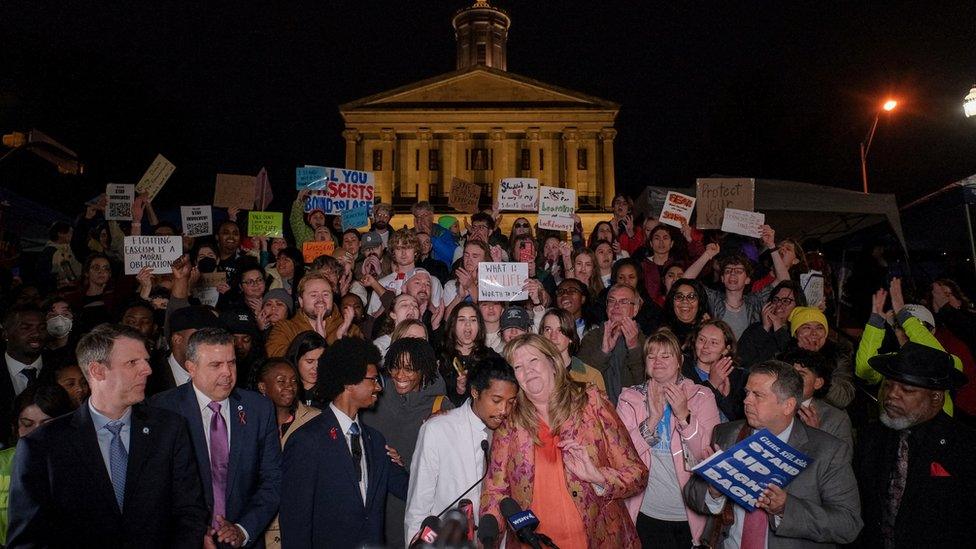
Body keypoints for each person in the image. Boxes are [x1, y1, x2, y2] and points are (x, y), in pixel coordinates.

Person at [7, 324, 210, 547]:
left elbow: (189, 512)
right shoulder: (42, 446)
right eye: (133, 362)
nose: (147, 370)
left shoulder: (169, 429)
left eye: (145, 360)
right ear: (97, 371)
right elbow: (28, 539)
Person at [481, 334, 647, 548]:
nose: (527, 370)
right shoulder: (510, 424)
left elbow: (638, 473)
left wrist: (598, 477)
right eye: (517, 367)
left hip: (601, 539)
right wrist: (488, 536)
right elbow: (495, 491)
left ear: (552, 363)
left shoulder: (590, 403)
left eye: (533, 360)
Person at [683, 360, 862, 548]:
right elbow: (692, 494)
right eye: (747, 392)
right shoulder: (726, 434)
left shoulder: (828, 451)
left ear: (788, 405)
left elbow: (848, 525)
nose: (746, 400)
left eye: (757, 395)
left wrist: (786, 508)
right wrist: (714, 491)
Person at [151, 327, 281, 547]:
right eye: (215, 365)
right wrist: (194, 533)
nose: (227, 373)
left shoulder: (259, 408)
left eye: (231, 363)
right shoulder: (162, 410)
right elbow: (157, 489)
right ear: (191, 368)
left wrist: (243, 529)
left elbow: (273, 479)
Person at [279, 338, 409, 548]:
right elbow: (295, 522)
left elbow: (407, 489)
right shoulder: (307, 441)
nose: (378, 387)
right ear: (349, 382)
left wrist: (401, 463)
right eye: (373, 380)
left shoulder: (375, 440)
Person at [856, 342, 976, 547]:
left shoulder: (965, 445)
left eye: (907, 389)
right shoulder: (871, 436)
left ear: (936, 398)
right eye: (888, 384)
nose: (892, 395)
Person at [616, 329, 721, 548]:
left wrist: (684, 416)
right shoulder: (630, 398)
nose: (658, 361)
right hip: (645, 511)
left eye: (666, 356)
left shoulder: (701, 396)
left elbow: (707, 455)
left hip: (689, 513)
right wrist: (652, 420)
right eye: (652, 356)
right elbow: (620, 455)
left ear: (679, 361)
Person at [404, 354, 518, 545]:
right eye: (496, 400)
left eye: (511, 402)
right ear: (475, 392)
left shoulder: (513, 433)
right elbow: (418, 504)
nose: (503, 410)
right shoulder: (438, 429)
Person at [361, 337, 452, 548]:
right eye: (395, 367)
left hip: (415, 509)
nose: (400, 376)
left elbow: (447, 470)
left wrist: (405, 462)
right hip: (375, 507)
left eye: (409, 369)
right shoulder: (374, 399)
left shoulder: (441, 406)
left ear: (424, 370)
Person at [254, 357, 320, 549]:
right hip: (261, 527)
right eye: (281, 381)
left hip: (300, 525)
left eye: (293, 381)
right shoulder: (248, 423)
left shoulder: (316, 420)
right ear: (262, 387)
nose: (289, 386)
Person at [683, 227, 791, 339]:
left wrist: (772, 246)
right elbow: (685, 281)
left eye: (739, 271)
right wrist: (707, 255)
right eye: (728, 271)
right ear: (722, 278)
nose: (733, 274)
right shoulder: (713, 299)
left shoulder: (755, 301)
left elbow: (785, 282)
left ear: (747, 279)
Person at [0, 384, 74, 544]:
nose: (36, 433)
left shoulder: (81, 463)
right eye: (27, 424)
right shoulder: (2, 463)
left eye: (47, 425)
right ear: (15, 427)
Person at [577, 284, 646, 404]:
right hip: (598, 412)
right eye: (611, 301)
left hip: (633, 413)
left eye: (624, 301)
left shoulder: (646, 342)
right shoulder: (591, 338)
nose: (616, 306)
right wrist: (603, 353)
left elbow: (644, 386)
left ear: (635, 309)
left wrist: (634, 348)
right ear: (606, 308)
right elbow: (579, 380)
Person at [266, 272, 361, 356]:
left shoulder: (350, 329)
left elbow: (362, 365)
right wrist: (315, 342)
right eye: (314, 295)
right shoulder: (285, 329)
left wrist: (341, 339)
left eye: (325, 294)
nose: (320, 300)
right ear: (301, 301)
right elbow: (276, 359)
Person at [779, 348, 853, 451]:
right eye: (789, 374)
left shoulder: (837, 419)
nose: (792, 380)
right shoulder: (769, 406)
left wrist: (815, 436)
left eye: (801, 375)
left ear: (818, 383)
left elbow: (840, 462)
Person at [786, 306, 854, 409]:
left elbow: (843, 398)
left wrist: (814, 359)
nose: (814, 333)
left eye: (819, 328)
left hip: (825, 415)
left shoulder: (838, 356)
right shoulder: (783, 355)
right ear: (796, 333)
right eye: (806, 327)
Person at [1, 306, 47, 446]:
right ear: (5, 334)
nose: (36, 334)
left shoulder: (60, 367)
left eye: (41, 328)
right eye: (26, 328)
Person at [683, 320, 747, 421]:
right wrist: (712, 384)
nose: (705, 346)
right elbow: (686, 414)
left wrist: (724, 398)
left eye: (714, 342)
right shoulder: (683, 370)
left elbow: (740, 421)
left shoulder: (739, 377)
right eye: (701, 339)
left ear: (726, 349)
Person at [439, 303, 500, 407]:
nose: (468, 324)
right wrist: (459, 389)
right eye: (462, 319)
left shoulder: (491, 358)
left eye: (473, 320)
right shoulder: (442, 357)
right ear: (453, 324)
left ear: (479, 325)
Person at [738, 280, 805, 368]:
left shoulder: (801, 332)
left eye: (786, 301)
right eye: (775, 299)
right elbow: (741, 360)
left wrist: (779, 329)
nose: (779, 304)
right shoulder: (756, 329)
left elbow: (794, 361)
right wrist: (764, 329)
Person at [539, 308, 606, 391]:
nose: (553, 336)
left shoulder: (591, 376)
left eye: (560, 330)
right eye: (548, 330)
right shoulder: (535, 373)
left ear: (570, 336)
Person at [659, 278, 711, 348]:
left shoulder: (710, 330)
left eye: (691, 297)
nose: (685, 301)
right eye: (679, 296)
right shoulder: (664, 333)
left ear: (700, 302)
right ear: (672, 302)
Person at [285, 331, 328, 407]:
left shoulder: (332, 391)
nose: (316, 367)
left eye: (321, 361)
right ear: (296, 360)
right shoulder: (286, 390)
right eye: (310, 361)